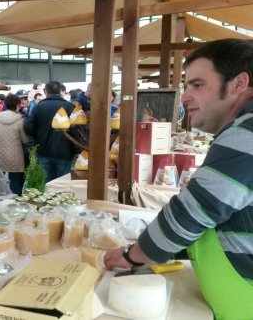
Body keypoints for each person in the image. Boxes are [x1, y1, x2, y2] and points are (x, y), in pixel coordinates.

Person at [104, 39, 253, 320]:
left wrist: (133, 255)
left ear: (238, 83)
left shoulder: (248, 132)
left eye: (197, 85)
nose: (184, 97)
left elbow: (194, 211)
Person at [24, 81, 79, 182]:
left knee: (45, 184)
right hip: (65, 152)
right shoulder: (69, 107)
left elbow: (28, 127)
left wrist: (39, 136)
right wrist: (76, 150)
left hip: (43, 150)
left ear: (46, 91)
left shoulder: (39, 107)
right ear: (59, 91)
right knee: (62, 185)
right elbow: (76, 130)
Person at [0, 94, 30, 195]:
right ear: (17, 105)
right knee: (15, 181)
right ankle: (15, 202)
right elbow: (25, 140)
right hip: (15, 156)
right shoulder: (20, 119)